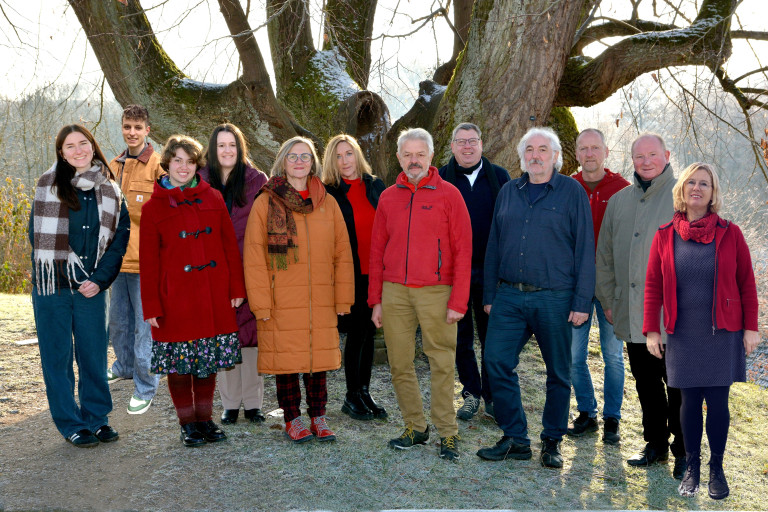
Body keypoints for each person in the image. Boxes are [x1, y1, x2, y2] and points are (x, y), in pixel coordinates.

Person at [477, 127, 594, 468]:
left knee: (559, 371)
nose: (536, 155)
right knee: (496, 361)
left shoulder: (572, 193)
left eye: (543, 149)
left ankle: (552, 441)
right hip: (509, 296)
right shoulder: (509, 191)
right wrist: (489, 294)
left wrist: (581, 301)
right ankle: (515, 438)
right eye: (530, 149)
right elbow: (494, 245)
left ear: (556, 156)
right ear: (522, 156)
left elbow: (586, 249)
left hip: (555, 298)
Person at [643, 162, 760, 500]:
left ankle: (717, 469)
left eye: (704, 184)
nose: (697, 188)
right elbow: (653, 285)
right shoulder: (665, 234)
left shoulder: (730, 232)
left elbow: (746, 284)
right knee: (688, 404)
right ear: (682, 189)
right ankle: (692, 468)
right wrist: (652, 330)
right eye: (691, 182)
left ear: (713, 193)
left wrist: (750, 328)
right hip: (682, 333)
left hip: (721, 332)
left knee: (719, 404)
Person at [369, 127, 472, 462]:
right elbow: (376, 251)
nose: (414, 161)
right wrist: (376, 300)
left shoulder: (449, 195)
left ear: (431, 156)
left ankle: (447, 433)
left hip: (437, 292)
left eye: (420, 154)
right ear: (399, 157)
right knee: (400, 364)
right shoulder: (388, 197)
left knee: (441, 362)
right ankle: (416, 427)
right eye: (407, 154)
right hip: (395, 292)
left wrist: (459, 301)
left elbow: (463, 251)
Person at [243, 136, 354, 443]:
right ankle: (292, 418)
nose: (299, 162)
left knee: (318, 360)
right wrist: (262, 305)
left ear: (313, 162)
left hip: (321, 297)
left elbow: (342, 253)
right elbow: (254, 257)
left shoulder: (327, 202)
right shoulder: (266, 202)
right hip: (281, 299)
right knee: (287, 361)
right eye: (292, 156)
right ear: (283, 161)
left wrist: (344, 298)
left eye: (305, 156)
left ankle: (318, 415)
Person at [140, 135, 246, 447]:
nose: (183, 167)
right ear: (167, 164)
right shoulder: (152, 208)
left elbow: (229, 247)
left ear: (196, 165)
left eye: (189, 161)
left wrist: (236, 288)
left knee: (206, 361)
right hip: (174, 300)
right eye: (177, 161)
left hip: (213, 296)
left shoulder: (213, 198)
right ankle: (187, 424)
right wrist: (152, 307)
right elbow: (148, 264)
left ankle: (205, 418)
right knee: (180, 365)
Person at [29, 124, 129, 447]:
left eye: (82, 143)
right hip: (53, 286)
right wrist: (67, 266)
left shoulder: (111, 189)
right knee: (57, 357)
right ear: (61, 152)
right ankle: (71, 423)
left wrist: (99, 281)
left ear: (92, 145)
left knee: (93, 355)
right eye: (69, 146)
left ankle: (97, 418)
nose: (77, 150)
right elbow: (36, 234)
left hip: (90, 288)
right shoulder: (48, 185)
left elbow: (119, 238)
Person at [596, 133, 686, 479]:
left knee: (679, 386)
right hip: (633, 314)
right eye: (638, 156)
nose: (645, 161)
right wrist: (608, 299)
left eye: (652, 155)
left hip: (676, 319)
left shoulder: (686, 196)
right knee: (646, 384)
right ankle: (655, 445)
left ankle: (684, 451)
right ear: (631, 160)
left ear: (666, 154)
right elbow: (603, 256)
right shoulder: (620, 201)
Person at [438, 122, 510, 421]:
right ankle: (470, 393)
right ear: (452, 146)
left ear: (482, 144)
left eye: (473, 141)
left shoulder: (500, 177)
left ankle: (493, 397)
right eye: (461, 141)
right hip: (453, 273)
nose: (467, 147)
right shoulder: (441, 177)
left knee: (491, 337)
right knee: (460, 336)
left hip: (490, 272)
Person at [199, 123, 268, 425]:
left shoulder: (256, 181)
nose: (227, 151)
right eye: (221, 145)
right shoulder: (200, 181)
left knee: (251, 335)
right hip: (213, 270)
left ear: (241, 149)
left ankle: (252, 404)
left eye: (232, 145)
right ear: (212, 150)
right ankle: (229, 404)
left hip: (249, 266)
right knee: (225, 334)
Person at [567, 128, 629, 443]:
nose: (589, 154)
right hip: (576, 287)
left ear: (605, 151)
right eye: (584, 148)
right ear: (576, 154)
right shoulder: (567, 187)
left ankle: (613, 418)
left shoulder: (622, 189)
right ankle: (587, 411)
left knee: (613, 355)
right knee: (574, 356)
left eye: (595, 148)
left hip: (611, 287)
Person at [322, 134, 387, 421]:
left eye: (349, 153)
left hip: (377, 271)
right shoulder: (329, 192)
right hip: (349, 273)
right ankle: (351, 395)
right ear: (331, 161)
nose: (345, 160)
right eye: (338, 156)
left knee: (370, 331)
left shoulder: (376, 186)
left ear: (357, 154)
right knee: (358, 331)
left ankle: (363, 391)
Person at [106, 105, 164, 415]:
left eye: (137, 127)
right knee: (118, 323)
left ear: (147, 130)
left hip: (146, 264)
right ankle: (124, 366)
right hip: (117, 262)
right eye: (127, 126)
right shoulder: (113, 165)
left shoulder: (158, 167)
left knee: (145, 331)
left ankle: (145, 387)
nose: (132, 132)